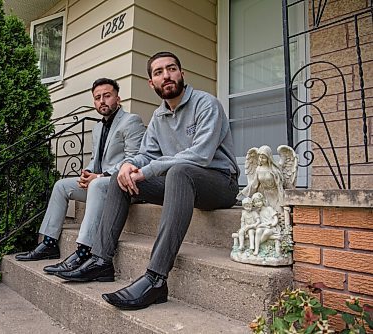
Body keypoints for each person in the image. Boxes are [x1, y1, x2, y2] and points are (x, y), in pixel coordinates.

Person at [55, 51, 240, 310]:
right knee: (119, 180)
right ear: (151, 83)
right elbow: (145, 154)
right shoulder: (158, 117)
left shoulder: (206, 104)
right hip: (181, 185)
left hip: (220, 182)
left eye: (172, 69)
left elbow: (200, 155)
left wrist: (148, 170)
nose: (166, 75)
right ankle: (101, 261)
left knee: (179, 171)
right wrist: (127, 166)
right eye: (158, 72)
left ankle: (155, 279)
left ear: (182, 74)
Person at [15, 78, 146, 276]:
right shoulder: (98, 127)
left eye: (107, 96)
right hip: (99, 183)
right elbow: (96, 159)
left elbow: (134, 159)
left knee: (97, 185)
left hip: (122, 185)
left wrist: (100, 175)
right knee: (61, 185)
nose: (102, 101)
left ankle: (83, 252)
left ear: (118, 98)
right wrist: (87, 173)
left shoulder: (131, 121)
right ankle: (49, 243)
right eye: (97, 98)